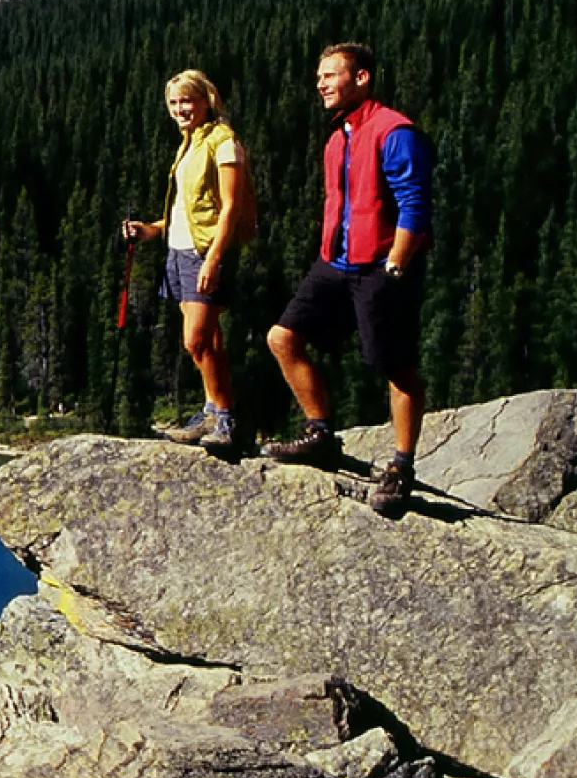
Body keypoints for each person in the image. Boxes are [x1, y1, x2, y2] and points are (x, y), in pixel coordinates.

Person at [261, 41, 433, 515]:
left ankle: (402, 466)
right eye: (319, 76)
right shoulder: (340, 134)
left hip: (381, 265)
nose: (320, 84)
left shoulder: (393, 130)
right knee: (283, 337)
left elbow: (414, 202)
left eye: (331, 75)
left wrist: (397, 262)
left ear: (362, 78)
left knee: (394, 365)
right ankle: (321, 434)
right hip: (335, 264)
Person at [120, 67, 254, 450]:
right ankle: (214, 409)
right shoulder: (190, 141)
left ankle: (226, 420)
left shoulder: (223, 142)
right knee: (208, 340)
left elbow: (230, 208)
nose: (180, 109)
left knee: (195, 340)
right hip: (178, 250)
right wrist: (152, 229)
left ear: (206, 100)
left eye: (187, 101)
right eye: (174, 103)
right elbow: (187, 208)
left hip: (205, 251)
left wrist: (213, 260)